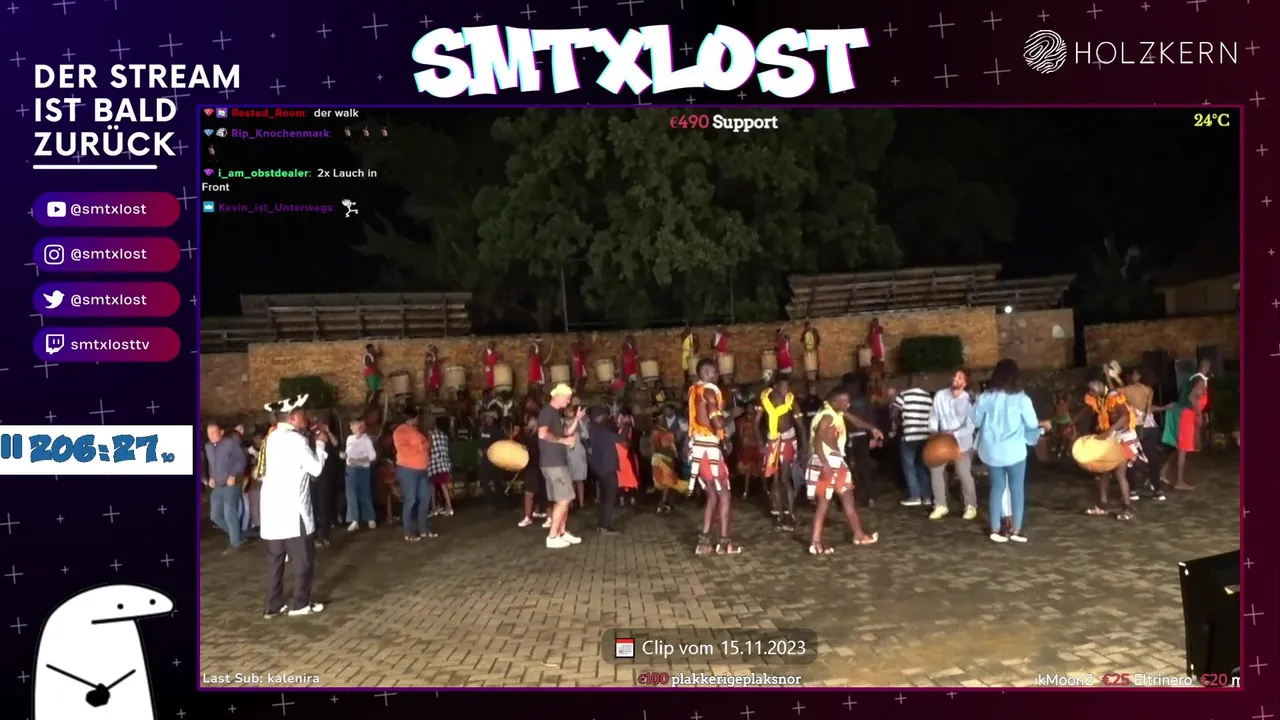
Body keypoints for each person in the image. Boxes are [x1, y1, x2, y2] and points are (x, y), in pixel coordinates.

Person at [973, 359, 1052, 544]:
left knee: (997, 488)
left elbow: (975, 421)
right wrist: (1043, 425)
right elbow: (1031, 424)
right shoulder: (1022, 399)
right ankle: (1016, 530)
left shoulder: (985, 398)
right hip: (1014, 451)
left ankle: (995, 529)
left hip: (992, 451)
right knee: (1017, 489)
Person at [260, 407, 327, 617]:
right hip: (293, 510)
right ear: (292, 417)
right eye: (303, 415)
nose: (306, 419)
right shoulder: (296, 440)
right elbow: (315, 469)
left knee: (275, 560)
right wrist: (321, 444)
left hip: (272, 510)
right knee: (303, 560)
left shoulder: (271, 438)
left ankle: (273, 605)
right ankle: (300, 604)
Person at [805, 386, 881, 554]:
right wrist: (825, 465)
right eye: (845, 401)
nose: (848, 404)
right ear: (834, 401)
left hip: (836, 462)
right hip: (826, 462)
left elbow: (856, 421)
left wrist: (872, 428)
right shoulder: (826, 417)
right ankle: (815, 542)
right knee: (823, 504)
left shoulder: (836, 412)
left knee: (848, 499)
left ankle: (859, 535)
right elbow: (817, 441)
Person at [689, 358, 740, 555]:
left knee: (712, 495)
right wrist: (733, 414)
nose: (716, 375)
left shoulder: (695, 391)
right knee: (724, 493)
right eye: (713, 372)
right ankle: (724, 543)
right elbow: (718, 423)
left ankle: (704, 544)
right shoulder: (709, 391)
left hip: (699, 448)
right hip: (708, 450)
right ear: (705, 373)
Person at [1081, 375, 1140, 519]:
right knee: (1104, 470)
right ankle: (1102, 506)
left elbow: (1124, 416)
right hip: (1114, 436)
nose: (1091, 395)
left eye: (1092, 392)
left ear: (1095, 390)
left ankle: (1128, 508)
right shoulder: (1102, 397)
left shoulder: (1113, 397)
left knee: (1120, 473)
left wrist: (1108, 431)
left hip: (1124, 437)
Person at [538, 384, 586, 549]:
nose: (568, 401)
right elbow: (542, 434)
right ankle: (552, 537)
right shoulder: (547, 412)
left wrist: (577, 419)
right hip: (554, 463)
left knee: (562, 499)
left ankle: (562, 533)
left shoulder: (555, 414)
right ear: (558, 395)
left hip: (556, 462)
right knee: (565, 499)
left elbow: (565, 433)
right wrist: (563, 441)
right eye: (567, 397)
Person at [927, 369, 979, 521]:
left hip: (962, 442)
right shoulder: (940, 395)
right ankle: (940, 504)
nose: (955, 379)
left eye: (960, 377)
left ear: (965, 382)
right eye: (955, 376)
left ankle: (971, 505)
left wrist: (954, 434)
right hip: (942, 441)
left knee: (963, 473)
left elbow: (971, 424)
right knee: (935, 469)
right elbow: (934, 415)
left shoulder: (969, 400)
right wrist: (933, 431)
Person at [760, 377, 806, 531]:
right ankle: (780, 516)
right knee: (775, 480)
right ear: (775, 386)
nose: (785, 390)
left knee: (784, 478)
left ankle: (790, 514)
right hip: (772, 441)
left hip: (787, 440)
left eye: (787, 387)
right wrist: (760, 442)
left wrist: (803, 447)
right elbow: (756, 422)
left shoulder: (791, 402)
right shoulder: (765, 400)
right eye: (782, 387)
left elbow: (800, 426)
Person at [1120, 367, 1168, 501]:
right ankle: (1158, 490)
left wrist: (1109, 376)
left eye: (1134, 373)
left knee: (1130, 459)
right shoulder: (1149, 390)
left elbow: (1113, 393)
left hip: (1134, 428)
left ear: (1139, 376)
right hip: (1150, 427)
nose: (1132, 376)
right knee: (1153, 459)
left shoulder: (1130, 390)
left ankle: (1133, 491)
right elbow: (1148, 408)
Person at [1161, 362, 1209, 491]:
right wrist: (1199, 415)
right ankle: (1179, 481)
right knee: (1183, 449)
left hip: (1185, 415)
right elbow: (1192, 397)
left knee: (1180, 448)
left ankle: (1162, 472)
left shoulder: (1192, 379)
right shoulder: (1200, 381)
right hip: (1187, 416)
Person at [392, 407, 437, 541]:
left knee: (425, 498)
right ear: (411, 418)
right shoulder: (400, 431)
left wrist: (425, 444)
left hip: (421, 469)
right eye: (417, 417)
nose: (418, 419)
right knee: (410, 500)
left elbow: (425, 445)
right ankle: (409, 532)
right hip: (408, 469)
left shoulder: (415, 430)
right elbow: (404, 449)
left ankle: (424, 529)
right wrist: (423, 445)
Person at [204, 422, 248, 555]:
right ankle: (238, 535)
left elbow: (241, 460)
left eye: (214, 432)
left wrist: (233, 475)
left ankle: (236, 543)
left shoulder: (230, 443)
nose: (211, 436)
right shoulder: (208, 446)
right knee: (215, 516)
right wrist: (211, 477)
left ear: (221, 432)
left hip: (231, 484)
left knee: (229, 512)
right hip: (217, 485)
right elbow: (211, 464)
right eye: (209, 433)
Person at [893, 380, 934, 507]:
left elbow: (893, 413)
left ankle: (915, 496)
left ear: (909, 384)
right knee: (921, 466)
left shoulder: (903, 395)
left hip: (909, 435)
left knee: (909, 466)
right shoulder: (928, 398)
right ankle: (926, 497)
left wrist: (901, 424)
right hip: (925, 436)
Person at [586, 407, 623, 533]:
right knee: (609, 498)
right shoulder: (602, 431)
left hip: (599, 468)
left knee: (604, 498)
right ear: (600, 416)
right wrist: (626, 425)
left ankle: (601, 524)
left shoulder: (592, 428)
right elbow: (620, 438)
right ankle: (605, 526)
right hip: (607, 467)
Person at [649, 406, 690, 515]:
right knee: (667, 483)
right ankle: (663, 504)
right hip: (666, 460)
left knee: (663, 483)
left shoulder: (655, 432)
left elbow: (653, 448)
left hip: (657, 459)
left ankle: (665, 503)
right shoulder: (665, 433)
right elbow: (673, 446)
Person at [312, 424, 345, 547]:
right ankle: (315, 536)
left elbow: (337, 446)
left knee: (324, 507)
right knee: (314, 507)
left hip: (326, 478)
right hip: (313, 478)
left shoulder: (329, 444)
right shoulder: (309, 442)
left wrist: (328, 432)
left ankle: (324, 535)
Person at [343, 418, 378, 530]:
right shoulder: (349, 439)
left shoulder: (366, 440)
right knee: (351, 495)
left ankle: (370, 518)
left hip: (363, 470)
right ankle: (354, 520)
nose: (351, 428)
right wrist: (345, 456)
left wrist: (360, 461)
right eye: (351, 425)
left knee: (364, 494)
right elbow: (348, 453)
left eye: (353, 425)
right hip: (351, 469)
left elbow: (373, 456)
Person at [474, 410, 505, 512]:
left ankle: (501, 502)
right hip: (485, 459)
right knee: (483, 480)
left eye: (487, 417)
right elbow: (480, 442)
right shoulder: (484, 430)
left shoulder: (498, 431)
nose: (485, 419)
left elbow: (500, 445)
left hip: (494, 459)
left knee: (496, 481)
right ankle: (493, 501)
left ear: (492, 418)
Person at [735, 400, 765, 500]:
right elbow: (740, 435)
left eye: (752, 408)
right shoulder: (742, 421)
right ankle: (746, 491)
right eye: (749, 408)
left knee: (761, 468)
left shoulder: (758, 419)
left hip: (756, 445)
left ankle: (765, 489)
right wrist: (742, 443)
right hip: (747, 446)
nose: (751, 410)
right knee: (747, 471)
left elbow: (761, 432)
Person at [427, 416, 455, 517]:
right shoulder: (445, 435)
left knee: (432, 485)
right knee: (443, 485)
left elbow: (428, 448)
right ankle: (448, 506)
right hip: (444, 463)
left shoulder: (431, 434)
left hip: (434, 463)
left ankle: (436, 507)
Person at [566, 401, 590, 507]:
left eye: (571, 410)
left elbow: (586, 435)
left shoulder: (579, 423)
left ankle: (581, 503)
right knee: (569, 481)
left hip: (579, 455)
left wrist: (579, 421)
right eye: (568, 410)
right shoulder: (563, 423)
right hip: (568, 454)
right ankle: (570, 503)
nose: (570, 412)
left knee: (579, 480)